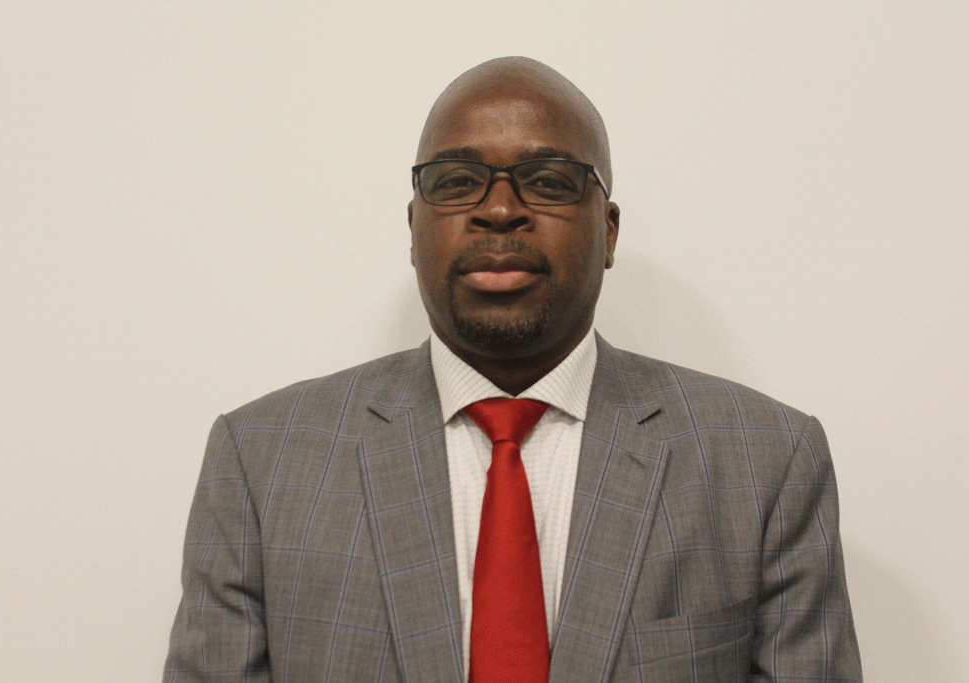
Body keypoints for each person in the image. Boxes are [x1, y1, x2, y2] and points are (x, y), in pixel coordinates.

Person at [163, 57, 862, 682]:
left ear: (608, 230)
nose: (500, 210)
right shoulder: (261, 462)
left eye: (549, 182)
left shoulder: (765, 463)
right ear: (413, 227)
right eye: (458, 182)